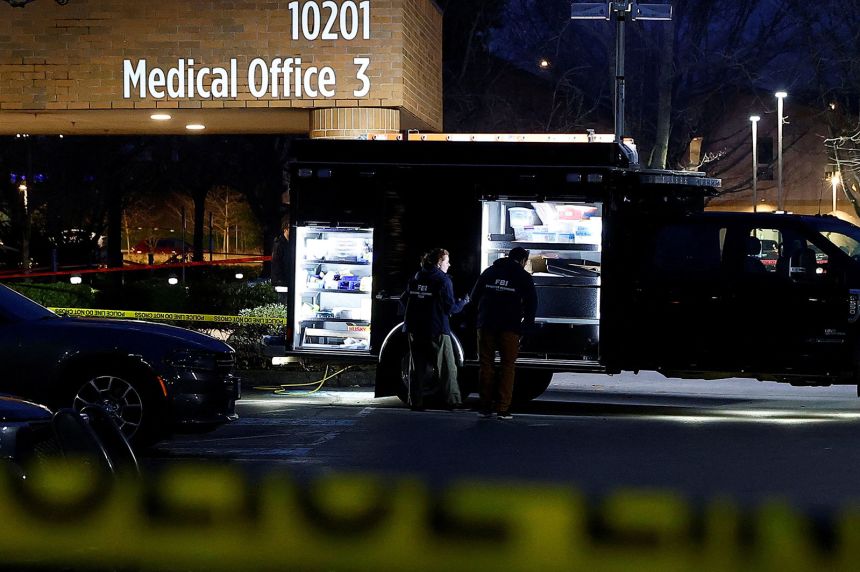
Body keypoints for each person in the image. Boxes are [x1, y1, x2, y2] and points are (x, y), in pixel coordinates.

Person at [470, 246, 537, 420]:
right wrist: (526, 328)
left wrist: (477, 319)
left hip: (486, 325)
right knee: (508, 366)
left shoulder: (489, 272)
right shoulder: (523, 277)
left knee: (486, 365)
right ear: (523, 260)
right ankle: (502, 408)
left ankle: (485, 407)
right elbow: (531, 305)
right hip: (510, 327)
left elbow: (474, 297)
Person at [401, 248, 469, 411]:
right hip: (436, 329)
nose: (449, 264)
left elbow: (404, 300)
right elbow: (450, 308)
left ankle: (415, 402)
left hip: (414, 328)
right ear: (439, 263)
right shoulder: (443, 280)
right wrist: (464, 302)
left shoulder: (417, 276)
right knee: (447, 367)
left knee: (416, 367)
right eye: (447, 261)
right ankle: (453, 401)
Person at [271, 222, 291, 304]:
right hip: (282, 281)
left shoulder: (288, 243)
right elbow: (276, 264)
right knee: (283, 302)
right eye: (290, 229)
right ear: (285, 230)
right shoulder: (279, 244)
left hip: (285, 280)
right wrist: (279, 280)